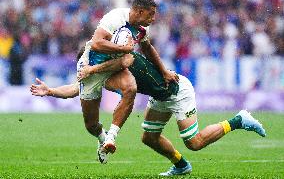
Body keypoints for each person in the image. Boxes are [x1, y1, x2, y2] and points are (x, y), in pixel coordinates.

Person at [31, 50, 266, 176]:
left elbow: (134, 57)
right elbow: (75, 88)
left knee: (194, 142)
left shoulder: (118, 61)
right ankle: (182, 166)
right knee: (149, 137)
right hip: (160, 96)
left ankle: (239, 120)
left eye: (87, 64)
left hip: (177, 91)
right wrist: (50, 90)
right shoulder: (98, 72)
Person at [75, 0, 178, 163]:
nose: (153, 18)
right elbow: (96, 43)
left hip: (114, 68)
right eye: (150, 14)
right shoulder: (115, 18)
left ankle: (111, 138)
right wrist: (122, 48)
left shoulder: (143, 28)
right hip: (91, 67)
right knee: (91, 125)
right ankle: (102, 137)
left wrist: (164, 71)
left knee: (131, 88)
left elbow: (147, 48)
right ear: (139, 11)